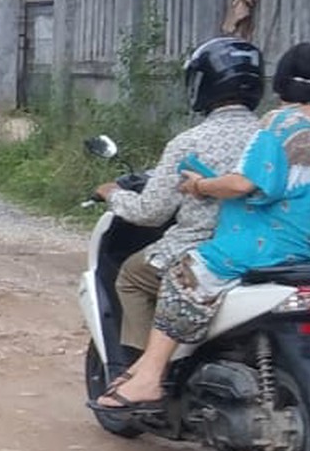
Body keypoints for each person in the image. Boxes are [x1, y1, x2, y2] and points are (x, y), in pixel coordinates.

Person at [92, 41, 310, 413]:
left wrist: (200, 186)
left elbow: (245, 184)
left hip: (263, 246)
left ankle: (148, 376)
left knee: (184, 277)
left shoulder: (279, 124)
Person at [94, 37, 265, 357]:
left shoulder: (189, 142)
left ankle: (142, 368)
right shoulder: (271, 137)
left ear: (203, 84)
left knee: (130, 275)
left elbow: (150, 212)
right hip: (267, 250)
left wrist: (113, 194)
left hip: (204, 251)